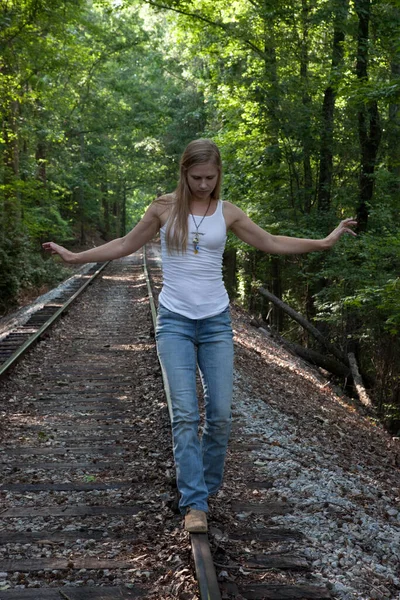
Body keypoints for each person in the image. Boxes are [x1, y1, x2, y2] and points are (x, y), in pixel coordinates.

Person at [43, 138, 357, 534]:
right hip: (174, 320)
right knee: (186, 415)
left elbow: (272, 242)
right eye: (196, 177)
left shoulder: (228, 213)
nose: (204, 184)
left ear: (218, 174)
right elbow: (125, 244)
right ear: (184, 172)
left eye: (210, 177)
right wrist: (75, 256)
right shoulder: (161, 209)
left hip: (215, 322)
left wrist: (324, 242)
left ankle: (203, 490)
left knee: (221, 415)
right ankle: (195, 502)